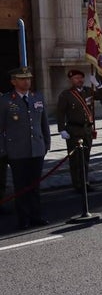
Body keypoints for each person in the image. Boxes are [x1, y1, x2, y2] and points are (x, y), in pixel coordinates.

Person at [0, 67, 51, 229]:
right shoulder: (6, 100)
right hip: (16, 150)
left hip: (36, 148)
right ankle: (24, 219)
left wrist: (46, 143)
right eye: (22, 79)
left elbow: (44, 123)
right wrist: (3, 149)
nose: (27, 81)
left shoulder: (37, 97)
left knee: (34, 186)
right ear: (13, 82)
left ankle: (36, 215)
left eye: (28, 78)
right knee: (21, 187)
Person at [56, 69, 97, 192]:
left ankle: (85, 182)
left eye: (81, 77)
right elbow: (60, 113)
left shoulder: (88, 91)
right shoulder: (66, 95)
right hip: (74, 130)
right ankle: (77, 184)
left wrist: (98, 84)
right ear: (71, 80)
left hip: (87, 130)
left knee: (85, 158)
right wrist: (61, 129)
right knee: (75, 160)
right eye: (76, 78)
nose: (79, 80)